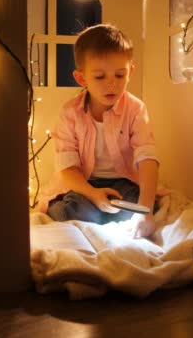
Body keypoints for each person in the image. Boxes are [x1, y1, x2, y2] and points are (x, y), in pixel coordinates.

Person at [40, 24, 160, 238]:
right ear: (82, 78)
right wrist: (93, 194)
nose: (111, 84)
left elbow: (147, 157)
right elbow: (67, 168)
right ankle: (94, 212)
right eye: (100, 77)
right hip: (84, 184)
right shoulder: (70, 113)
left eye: (120, 75)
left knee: (141, 205)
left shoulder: (135, 109)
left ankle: (110, 213)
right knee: (78, 210)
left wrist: (146, 210)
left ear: (130, 72)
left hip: (123, 182)